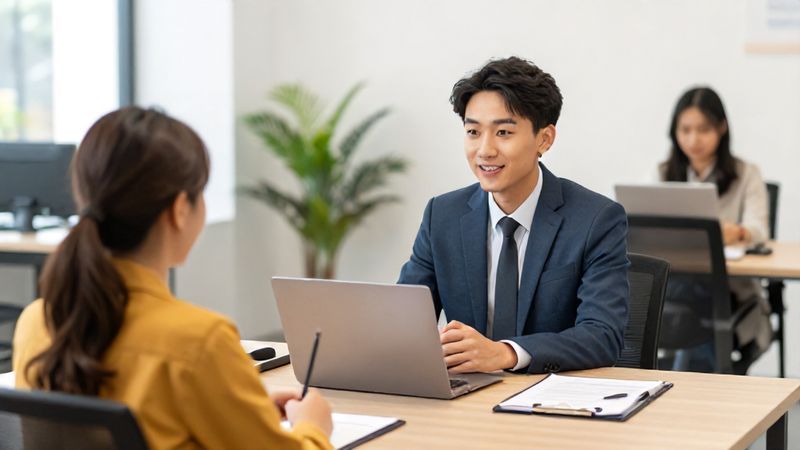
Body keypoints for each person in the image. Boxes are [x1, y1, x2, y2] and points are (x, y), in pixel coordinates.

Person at [13, 107, 334, 449]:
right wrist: (314, 427)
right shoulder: (198, 341)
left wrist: (242, 413)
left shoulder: (37, 321)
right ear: (180, 210)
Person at [398, 57, 630, 374]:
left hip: (553, 402)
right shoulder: (442, 216)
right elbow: (402, 321)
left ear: (544, 139)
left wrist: (507, 354)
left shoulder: (596, 220)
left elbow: (602, 336)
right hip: (466, 399)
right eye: (473, 132)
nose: (485, 150)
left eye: (504, 132)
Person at [659, 86, 771, 372]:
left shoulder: (746, 174)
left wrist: (739, 232)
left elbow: (759, 229)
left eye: (703, 129)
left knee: (700, 311)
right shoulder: (662, 173)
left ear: (721, 128)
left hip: (730, 294)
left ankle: (699, 394)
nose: (693, 139)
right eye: (685, 129)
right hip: (676, 289)